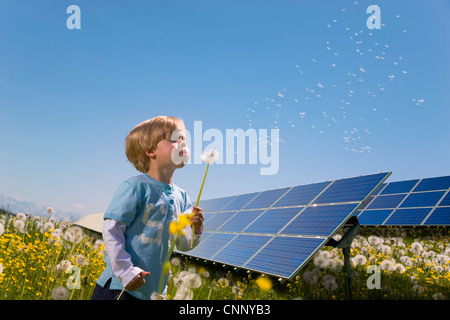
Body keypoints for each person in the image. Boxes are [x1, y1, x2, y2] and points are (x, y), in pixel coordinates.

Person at [91, 116, 204, 300]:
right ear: (151, 151)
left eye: (184, 139)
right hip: (120, 288)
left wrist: (196, 229)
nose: (182, 143)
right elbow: (112, 231)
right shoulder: (135, 187)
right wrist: (125, 271)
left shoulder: (183, 198)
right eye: (176, 139)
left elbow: (184, 244)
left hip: (153, 294)